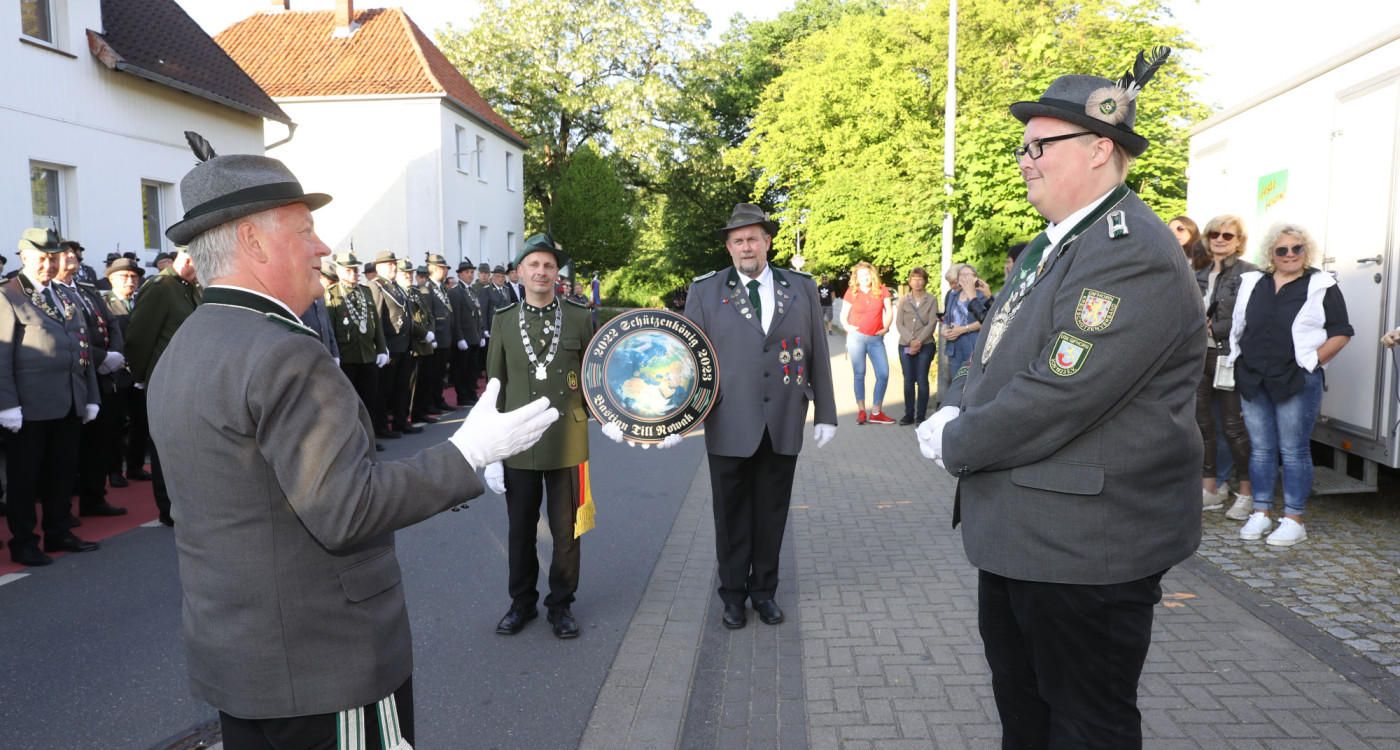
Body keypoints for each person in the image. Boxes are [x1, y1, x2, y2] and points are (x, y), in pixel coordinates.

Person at [147, 137, 557, 750]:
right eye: (306, 230)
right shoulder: (282, 350)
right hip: (325, 666)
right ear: (253, 242)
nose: (324, 247)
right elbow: (347, 510)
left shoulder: (188, 345)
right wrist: (467, 453)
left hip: (243, 663)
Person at [918, 48, 1204, 748]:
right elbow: (992, 350)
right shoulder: (1058, 245)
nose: (1025, 159)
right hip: (1028, 538)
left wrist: (955, 439)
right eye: (1024, 147)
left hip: (1083, 551)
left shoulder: (1127, 248)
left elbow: (1059, 392)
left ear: (1100, 149)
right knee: (1028, 718)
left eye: (1040, 145)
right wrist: (954, 401)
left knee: (1085, 727)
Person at [682, 203, 837, 629]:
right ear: (729, 248)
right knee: (730, 516)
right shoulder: (706, 290)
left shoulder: (799, 287)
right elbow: (688, 359)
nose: (746, 246)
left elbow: (818, 351)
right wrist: (678, 417)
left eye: (753, 238)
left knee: (772, 511)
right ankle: (732, 595)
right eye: (738, 240)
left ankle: (764, 591)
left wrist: (826, 411)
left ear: (768, 242)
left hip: (784, 419)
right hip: (728, 420)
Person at [484, 234, 595, 639]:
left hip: (568, 439)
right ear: (520, 272)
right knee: (520, 529)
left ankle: (561, 605)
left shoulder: (581, 317)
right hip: (518, 441)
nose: (542, 272)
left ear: (556, 273)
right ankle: (522, 602)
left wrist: (613, 417)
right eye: (534, 265)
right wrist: (492, 452)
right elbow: (494, 387)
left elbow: (593, 377)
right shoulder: (503, 319)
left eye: (549, 265)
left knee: (567, 532)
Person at [1225, 221, 1352, 546]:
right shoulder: (1254, 282)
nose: (1291, 254)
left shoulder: (1321, 284)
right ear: (1271, 253)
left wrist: (1310, 362)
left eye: (1297, 248)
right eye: (1282, 249)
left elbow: (1341, 332)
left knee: (1294, 451)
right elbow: (1240, 324)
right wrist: (1237, 360)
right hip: (1254, 376)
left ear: (1306, 250)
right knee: (1262, 449)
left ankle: (1294, 519)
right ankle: (1261, 512)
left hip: (1297, 379)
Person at [0, 228, 103, 565]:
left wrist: (90, 394)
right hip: (28, 406)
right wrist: (7, 404)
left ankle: (58, 530)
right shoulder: (8, 295)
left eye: (54, 256)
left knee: (62, 472)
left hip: (69, 400)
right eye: (42, 257)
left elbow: (82, 347)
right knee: (25, 478)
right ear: (24, 257)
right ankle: (24, 540)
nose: (49, 263)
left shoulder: (66, 296)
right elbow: (1, 357)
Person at [126, 245, 201, 526]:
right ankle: (169, 508)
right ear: (189, 260)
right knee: (167, 448)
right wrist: (142, 376)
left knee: (188, 447)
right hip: (167, 380)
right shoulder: (160, 286)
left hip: (190, 379)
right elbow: (139, 337)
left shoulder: (190, 286)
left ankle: (187, 502)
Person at [56, 244, 128, 518]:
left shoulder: (87, 289)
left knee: (100, 442)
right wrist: (99, 357)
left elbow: (111, 323)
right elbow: (68, 336)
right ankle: (62, 510)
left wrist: (115, 354)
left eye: (74, 253)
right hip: (76, 377)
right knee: (72, 449)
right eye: (65, 253)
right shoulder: (53, 293)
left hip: (103, 377)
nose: (72, 256)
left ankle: (94, 498)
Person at [1196, 215, 1256, 519]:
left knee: (1233, 428)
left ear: (1239, 241)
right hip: (1199, 357)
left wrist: (1213, 327)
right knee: (1203, 425)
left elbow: (1252, 318)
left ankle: (1247, 493)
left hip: (1231, 356)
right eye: (1215, 234)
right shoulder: (1201, 273)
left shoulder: (1250, 274)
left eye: (1228, 235)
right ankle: (1210, 490)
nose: (1220, 239)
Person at [326, 253, 390, 445]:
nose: (353, 273)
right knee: (348, 403)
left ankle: (369, 440)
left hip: (367, 355)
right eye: (348, 270)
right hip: (347, 357)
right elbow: (329, 328)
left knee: (369, 400)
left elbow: (375, 322)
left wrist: (381, 348)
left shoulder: (365, 291)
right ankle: (352, 442)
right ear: (339, 271)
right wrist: (333, 354)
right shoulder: (331, 293)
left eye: (355, 269)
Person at [368, 251, 423, 438]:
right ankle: (381, 426)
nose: (393, 267)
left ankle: (400, 421)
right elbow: (376, 317)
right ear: (379, 267)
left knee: (402, 386)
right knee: (384, 390)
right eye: (389, 265)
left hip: (404, 344)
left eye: (394, 264)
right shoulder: (376, 286)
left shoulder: (395, 287)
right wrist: (381, 346)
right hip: (390, 345)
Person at [100, 257, 144, 488]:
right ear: (111, 279)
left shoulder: (144, 300)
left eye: (134, 277)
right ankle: (115, 471)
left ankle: (135, 466)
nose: (130, 281)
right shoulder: (104, 303)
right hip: (117, 374)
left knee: (142, 423)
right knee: (115, 425)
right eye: (124, 277)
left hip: (141, 374)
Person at [840, 261, 894, 425]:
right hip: (856, 338)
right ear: (857, 277)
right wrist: (847, 326)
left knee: (883, 374)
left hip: (876, 339)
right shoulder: (852, 292)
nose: (865, 278)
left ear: (872, 275)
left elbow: (889, 311)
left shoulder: (881, 290)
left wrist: (886, 328)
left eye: (867, 274)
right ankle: (862, 411)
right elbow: (843, 314)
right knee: (859, 374)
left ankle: (876, 411)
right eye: (861, 275)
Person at [413, 254, 459, 421]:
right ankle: (429, 403)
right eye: (444, 268)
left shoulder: (440, 287)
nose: (446, 271)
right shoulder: (426, 288)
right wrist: (432, 337)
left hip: (445, 337)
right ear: (436, 269)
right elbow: (428, 314)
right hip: (436, 338)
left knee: (440, 374)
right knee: (430, 375)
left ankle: (438, 400)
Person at [895, 267, 939, 426]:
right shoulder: (903, 300)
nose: (917, 281)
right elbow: (899, 323)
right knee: (908, 380)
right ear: (909, 281)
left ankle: (921, 416)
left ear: (925, 281)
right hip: (905, 345)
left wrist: (918, 341)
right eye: (914, 278)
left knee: (922, 380)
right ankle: (908, 414)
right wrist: (911, 340)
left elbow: (933, 322)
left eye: (920, 278)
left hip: (925, 345)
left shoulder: (932, 299)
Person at [940, 264, 989, 377]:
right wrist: (944, 329)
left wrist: (962, 330)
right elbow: (947, 317)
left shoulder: (981, 295)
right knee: (955, 382)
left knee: (970, 381)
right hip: (954, 347)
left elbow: (987, 321)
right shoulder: (953, 295)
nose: (953, 285)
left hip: (972, 345)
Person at [448, 260, 483, 408]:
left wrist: (480, 334)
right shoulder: (455, 292)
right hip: (463, 337)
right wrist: (460, 338)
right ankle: (463, 396)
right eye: (467, 272)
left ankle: (471, 393)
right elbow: (455, 317)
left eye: (471, 272)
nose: (470, 275)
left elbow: (477, 313)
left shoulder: (472, 291)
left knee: (472, 369)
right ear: (460, 274)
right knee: (461, 369)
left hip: (474, 336)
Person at [299, 261, 342, 361]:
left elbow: (327, 326)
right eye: (331, 283)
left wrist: (335, 353)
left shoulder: (321, 296)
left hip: (325, 353)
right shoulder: (299, 295)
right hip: (309, 355)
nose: (332, 286)